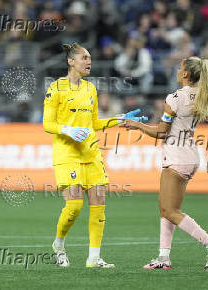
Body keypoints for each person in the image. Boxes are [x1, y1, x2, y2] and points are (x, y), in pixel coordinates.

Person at [43, 43, 147, 268]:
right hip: (67, 153)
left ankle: (94, 258)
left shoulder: (90, 89)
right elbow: (47, 123)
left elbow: (94, 124)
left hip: (91, 153)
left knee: (99, 204)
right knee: (74, 207)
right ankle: (59, 245)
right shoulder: (56, 88)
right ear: (71, 61)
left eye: (89, 58)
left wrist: (119, 119)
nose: (89, 61)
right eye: (84, 57)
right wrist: (68, 130)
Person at [122, 56, 208, 270]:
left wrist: (136, 125)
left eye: (180, 68)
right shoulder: (203, 98)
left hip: (176, 158)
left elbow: (161, 132)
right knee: (167, 209)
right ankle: (163, 258)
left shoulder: (175, 97)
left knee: (169, 211)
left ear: (186, 74)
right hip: (191, 157)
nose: (178, 70)